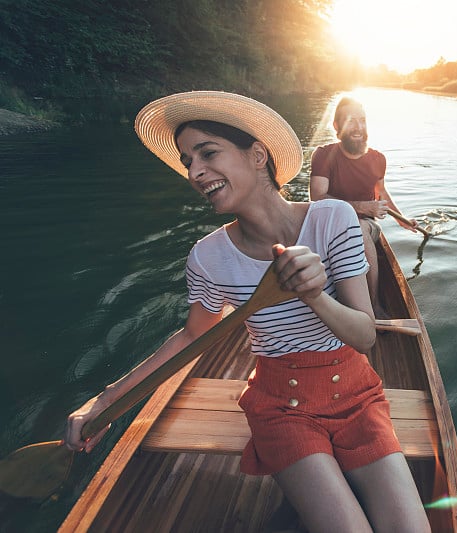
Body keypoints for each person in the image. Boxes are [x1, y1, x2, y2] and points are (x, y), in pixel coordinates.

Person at [65, 91, 430, 533]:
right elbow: (190, 339)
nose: (195, 172)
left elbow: (365, 335)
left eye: (208, 153)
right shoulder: (207, 257)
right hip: (282, 405)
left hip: (355, 394)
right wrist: (105, 401)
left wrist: (314, 294)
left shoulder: (333, 219)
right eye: (187, 161)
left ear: (258, 155)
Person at [309, 96, 420, 318]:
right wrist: (362, 206)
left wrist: (402, 220)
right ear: (337, 126)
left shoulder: (378, 159)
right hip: (330, 226)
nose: (358, 127)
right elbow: (317, 198)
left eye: (362, 120)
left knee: (358, 227)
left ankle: (374, 304)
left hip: (366, 226)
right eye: (350, 121)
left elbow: (382, 193)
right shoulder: (323, 155)